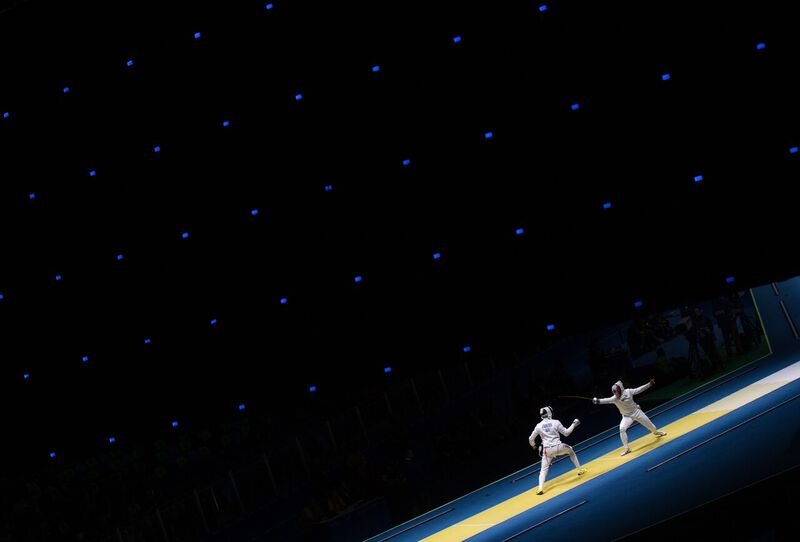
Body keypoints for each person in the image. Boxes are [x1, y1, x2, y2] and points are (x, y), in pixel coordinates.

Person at [593, 379, 666, 455]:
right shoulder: (614, 398)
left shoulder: (628, 392)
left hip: (637, 412)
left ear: (620, 390)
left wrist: (649, 384)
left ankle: (656, 432)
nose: (615, 394)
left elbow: (639, 389)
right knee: (622, 429)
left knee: (651, 426)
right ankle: (627, 449)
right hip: (627, 417)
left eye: (616, 391)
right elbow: (606, 400)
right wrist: (597, 401)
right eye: (614, 392)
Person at [528, 406, 586, 495]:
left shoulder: (538, 426)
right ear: (549, 413)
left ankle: (540, 489)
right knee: (570, 450)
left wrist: (533, 445)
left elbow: (531, 438)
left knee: (543, 470)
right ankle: (579, 470)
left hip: (547, 451)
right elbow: (566, 433)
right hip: (559, 447)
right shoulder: (555, 422)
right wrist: (574, 424)